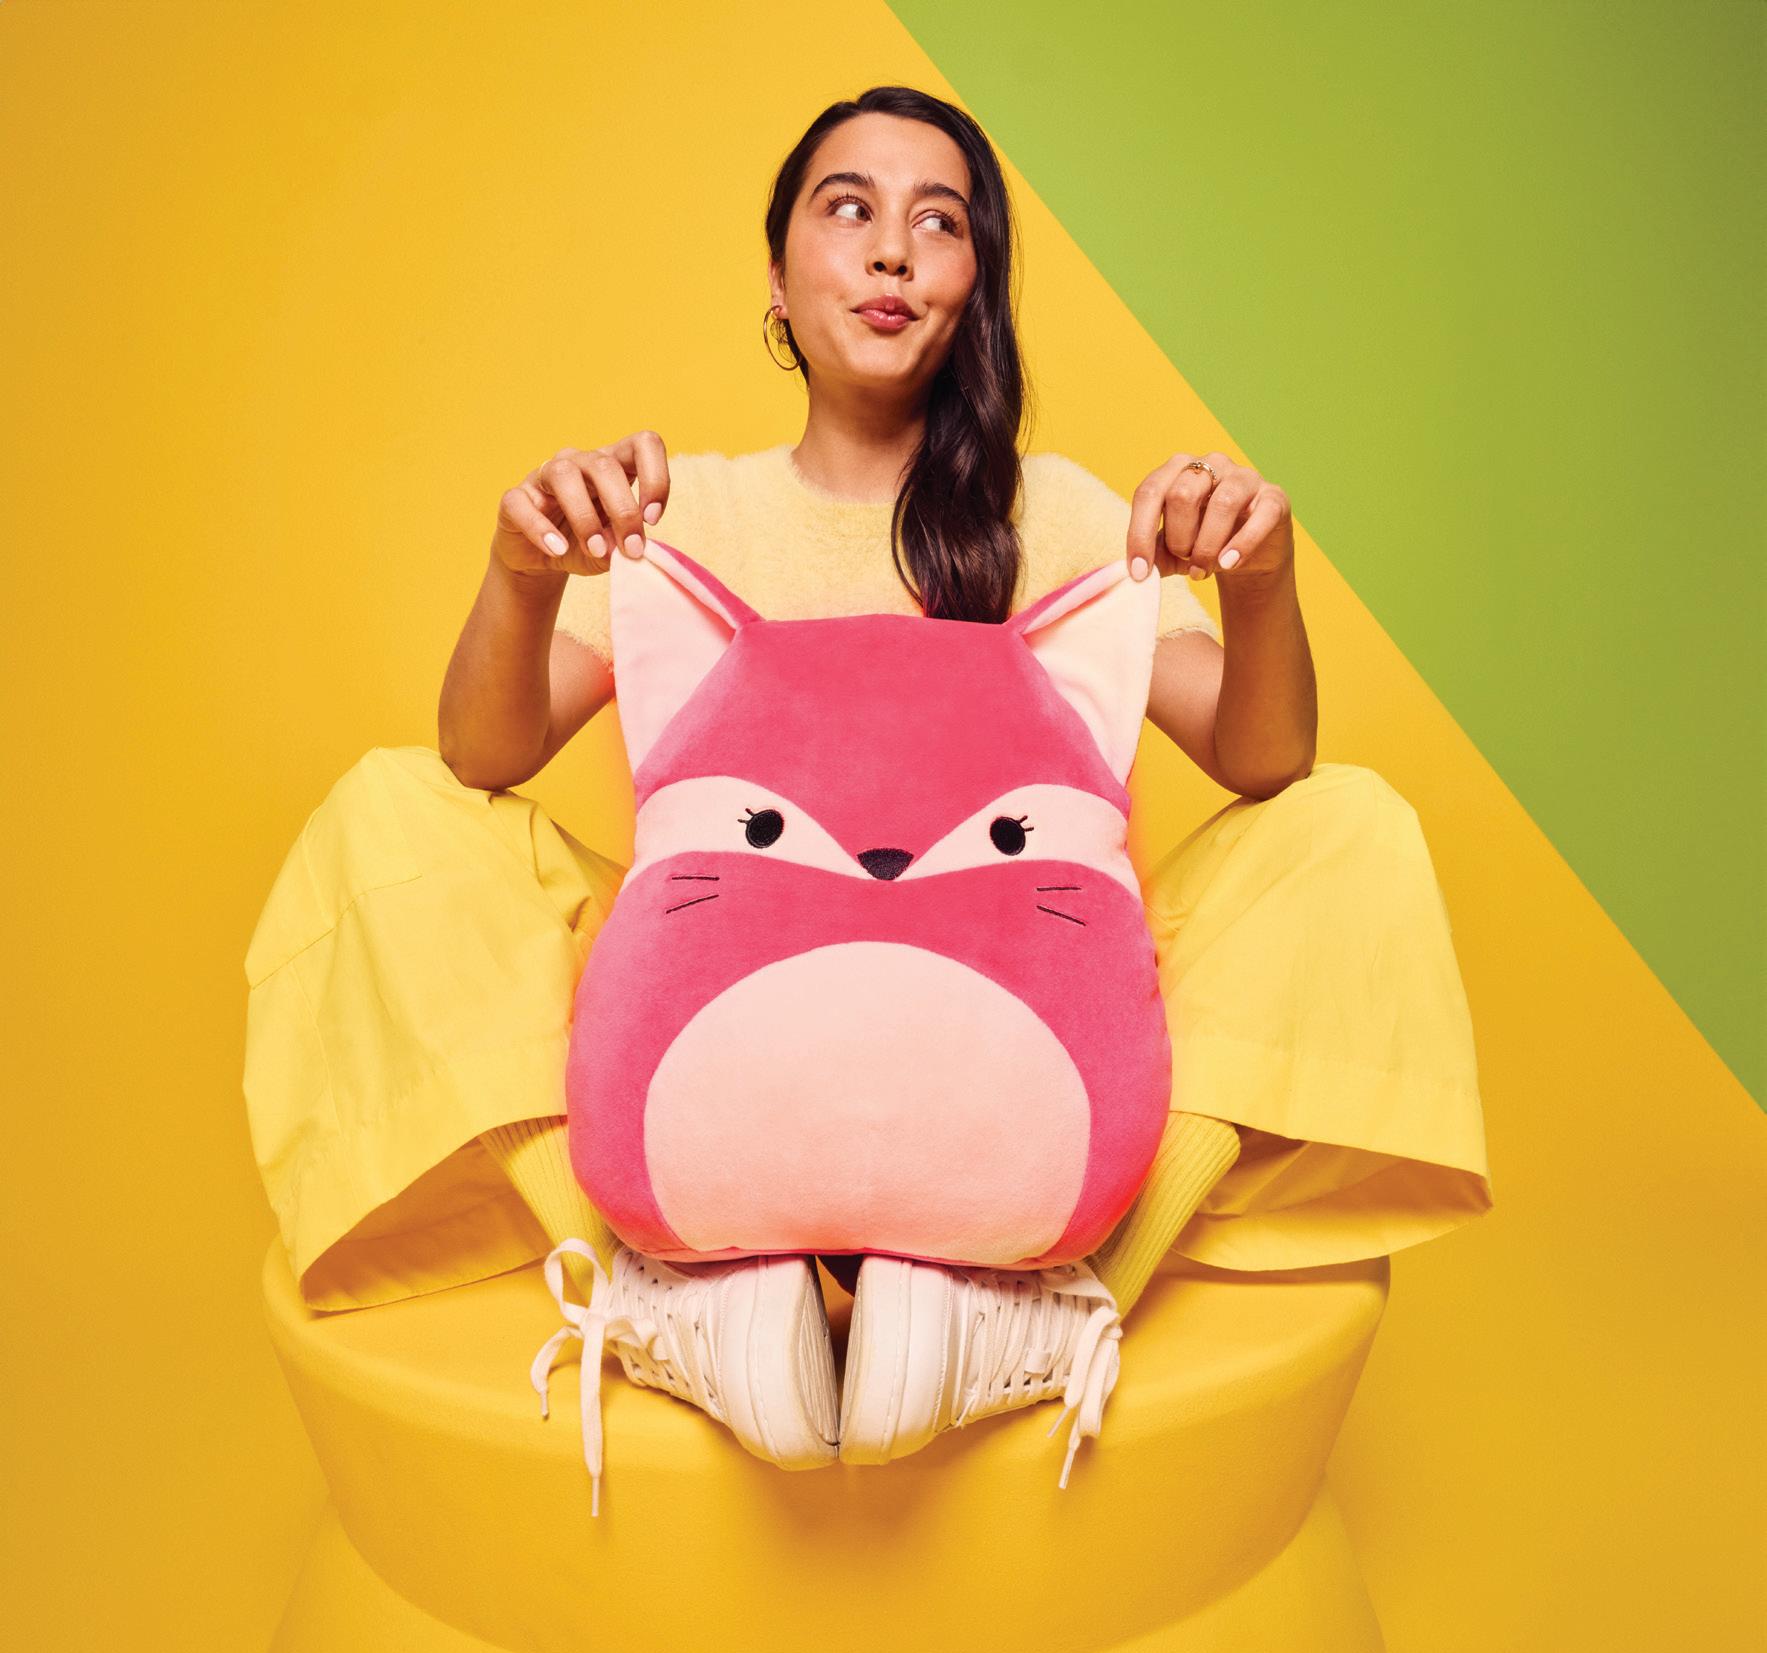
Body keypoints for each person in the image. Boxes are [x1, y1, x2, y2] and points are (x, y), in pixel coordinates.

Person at [242, 86, 1492, 1517]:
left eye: (937, 222)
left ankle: (1062, 1290)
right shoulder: (684, 513)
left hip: (1009, 1030)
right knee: (393, 812)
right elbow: (482, 754)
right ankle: (660, 1280)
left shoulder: (1054, 514)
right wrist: (522, 574)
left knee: (1343, 827)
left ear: (976, 286)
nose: (893, 249)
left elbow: (1265, 759)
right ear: (779, 277)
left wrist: (1261, 582)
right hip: (722, 1019)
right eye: (850, 210)